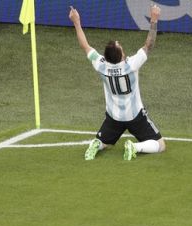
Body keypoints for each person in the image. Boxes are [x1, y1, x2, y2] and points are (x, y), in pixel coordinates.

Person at [69, 5, 166, 161]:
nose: (119, 43)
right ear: (121, 55)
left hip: (114, 117)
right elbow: (149, 45)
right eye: (119, 45)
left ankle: (97, 144)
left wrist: (76, 22)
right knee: (160, 145)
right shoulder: (131, 65)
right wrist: (154, 20)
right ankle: (135, 147)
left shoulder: (101, 65)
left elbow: (85, 46)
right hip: (135, 116)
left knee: (106, 143)